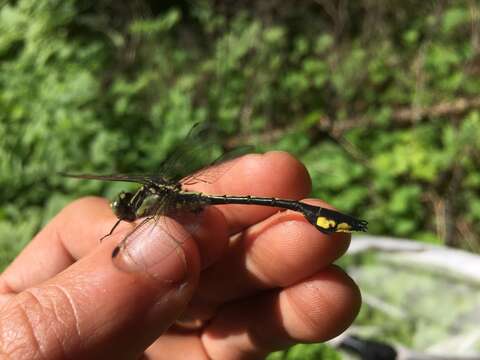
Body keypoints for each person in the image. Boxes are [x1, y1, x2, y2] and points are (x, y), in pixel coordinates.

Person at [0, 152, 361, 359]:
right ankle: (311, 215)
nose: (120, 208)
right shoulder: (155, 206)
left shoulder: (151, 211)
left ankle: (310, 215)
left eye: (122, 206)